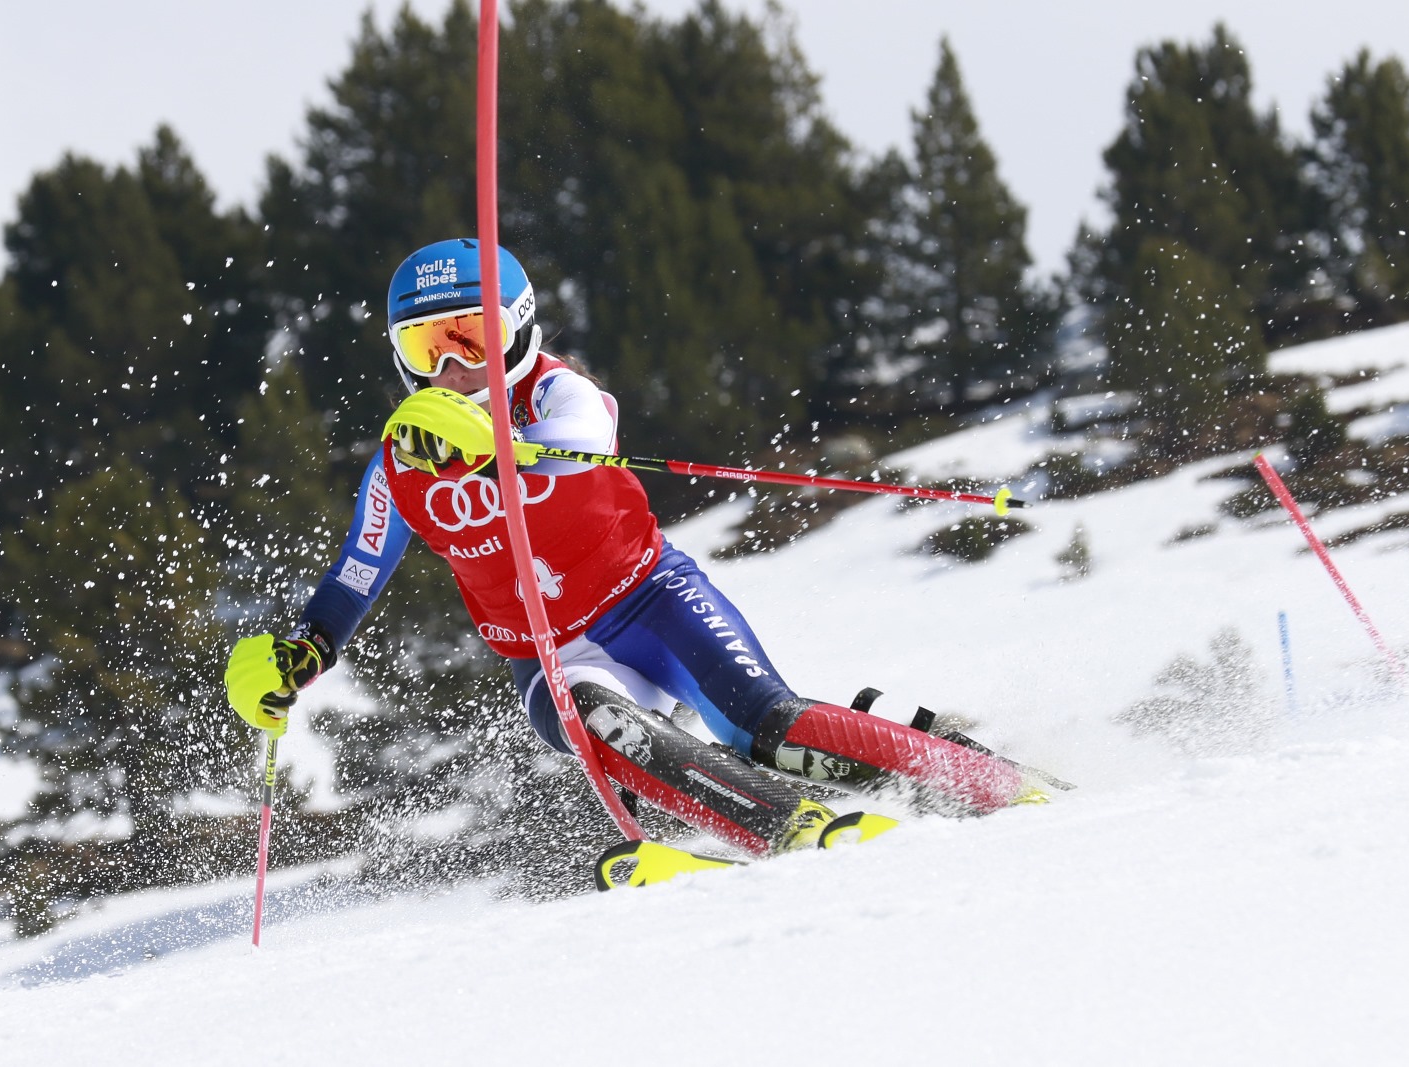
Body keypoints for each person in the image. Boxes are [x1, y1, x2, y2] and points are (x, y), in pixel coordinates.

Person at [225, 238, 1041, 883]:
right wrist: (300, 655)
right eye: (430, 345)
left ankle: (976, 775)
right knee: (593, 717)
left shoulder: (553, 393)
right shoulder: (399, 462)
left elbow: (590, 442)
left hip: (650, 599)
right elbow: (355, 576)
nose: (453, 366)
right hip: (553, 651)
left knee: (770, 725)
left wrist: (498, 445)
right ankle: (779, 821)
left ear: (518, 327)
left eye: (472, 336)